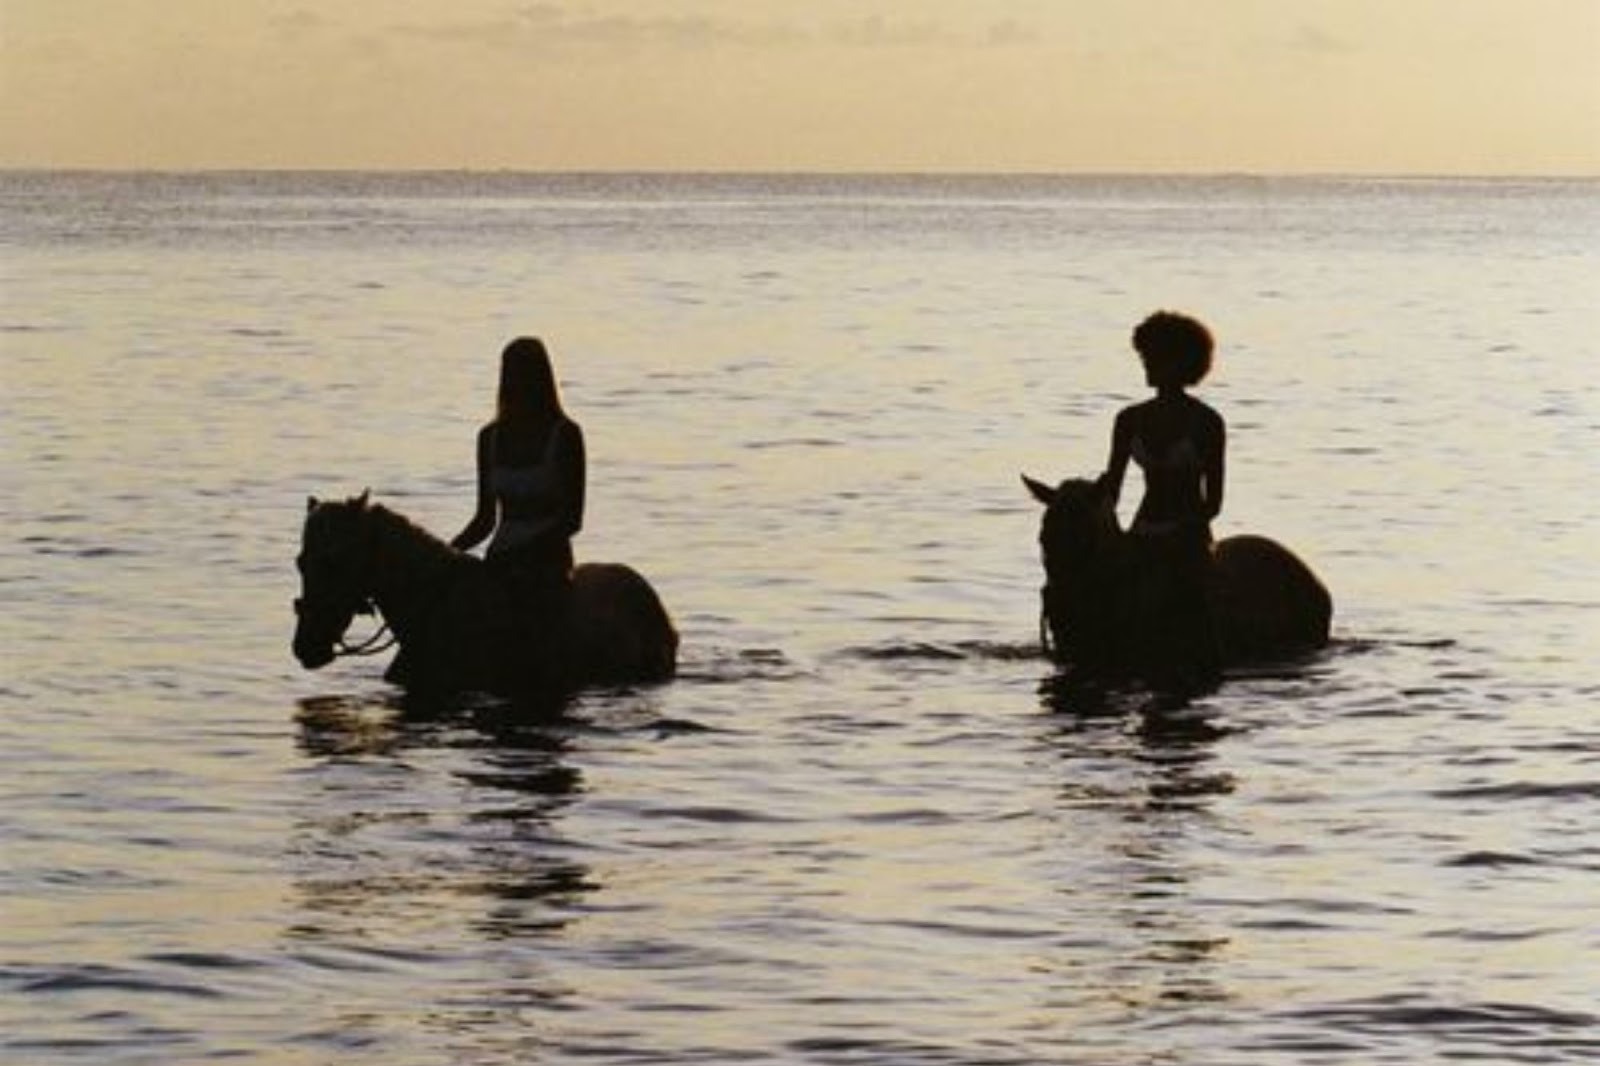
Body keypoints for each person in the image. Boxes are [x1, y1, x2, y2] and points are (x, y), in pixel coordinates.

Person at [1102, 311, 1225, 691]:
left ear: (1182, 363)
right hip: (1141, 531)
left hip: (1187, 537)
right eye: (1145, 358)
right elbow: (1113, 489)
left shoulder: (1207, 422)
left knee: (1193, 613)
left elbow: (1214, 501)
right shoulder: (1128, 419)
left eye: (1155, 358)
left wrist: (1180, 535)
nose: (1147, 366)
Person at [451, 337, 586, 680]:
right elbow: (484, 519)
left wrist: (525, 552)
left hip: (547, 563)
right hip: (500, 561)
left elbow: (571, 519)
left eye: (524, 374)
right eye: (510, 373)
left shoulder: (565, 435)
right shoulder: (489, 437)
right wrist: (447, 554)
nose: (515, 382)